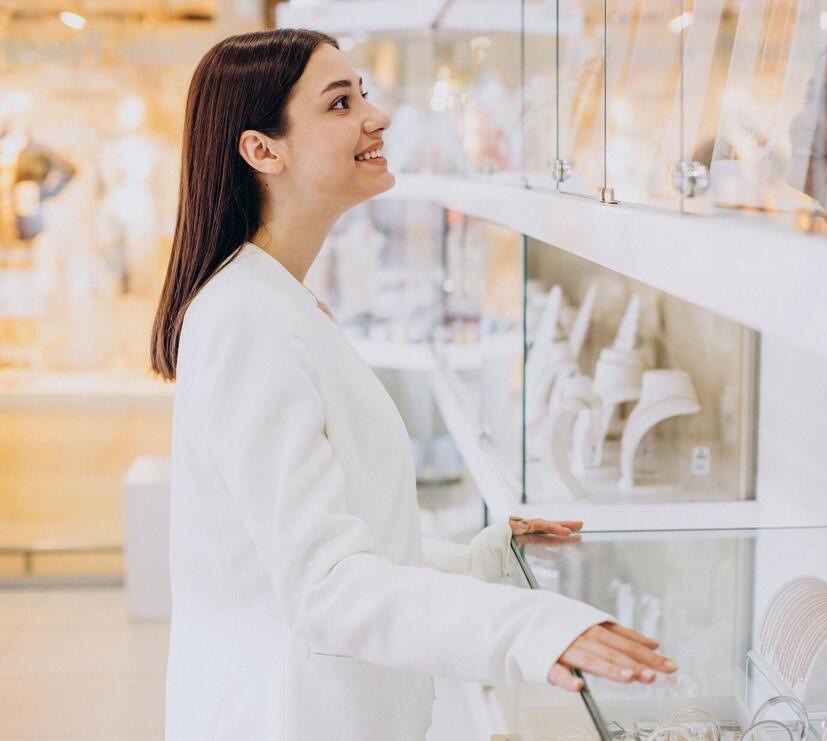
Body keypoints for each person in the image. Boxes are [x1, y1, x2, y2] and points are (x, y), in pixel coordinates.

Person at [149, 29, 675, 741]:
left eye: (362, 92)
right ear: (262, 150)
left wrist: (482, 560)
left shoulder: (275, 300)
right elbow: (323, 583)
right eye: (340, 103)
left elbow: (325, 539)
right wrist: (532, 628)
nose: (377, 115)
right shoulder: (248, 318)